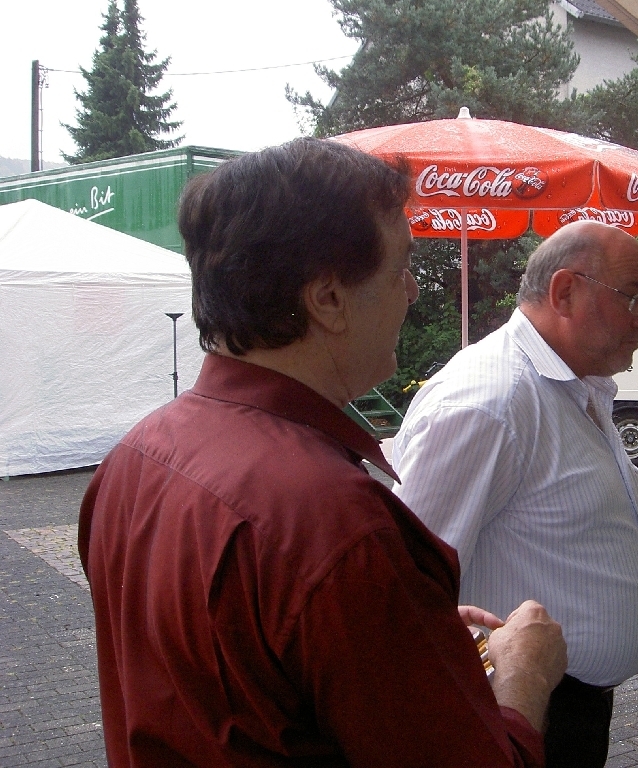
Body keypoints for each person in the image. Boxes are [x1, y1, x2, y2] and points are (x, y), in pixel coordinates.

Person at [77, 138, 567, 768]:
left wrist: (397, 626)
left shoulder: (132, 458)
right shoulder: (337, 525)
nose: (413, 291)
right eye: (401, 267)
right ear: (328, 299)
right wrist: (525, 673)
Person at [391, 220, 638, 768]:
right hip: (518, 709)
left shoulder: (567, 385)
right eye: (633, 297)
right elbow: (404, 593)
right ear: (565, 292)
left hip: (558, 705)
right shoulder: (491, 401)